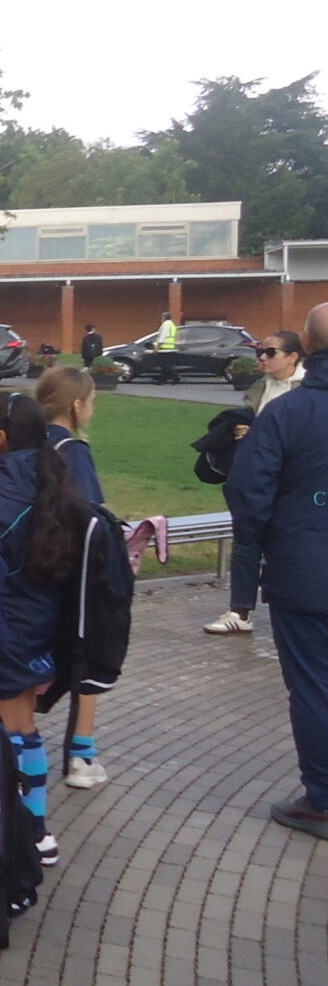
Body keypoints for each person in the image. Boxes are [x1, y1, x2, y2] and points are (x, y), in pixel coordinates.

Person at [225, 302, 328, 840]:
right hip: (304, 563)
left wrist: (267, 542)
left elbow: (249, 490)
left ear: (305, 347)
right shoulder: (288, 411)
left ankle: (323, 799)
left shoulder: (288, 414)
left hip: (305, 570)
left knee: (313, 685)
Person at [0, 392, 89, 869]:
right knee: (24, 725)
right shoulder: (54, 479)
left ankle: (31, 829)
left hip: (4, 626)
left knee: (12, 728)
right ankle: (35, 825)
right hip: (42, 622)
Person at [34, 367, 110, 787]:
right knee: (86, 660)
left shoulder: (27, 444)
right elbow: (91, 514)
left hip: (28, 568)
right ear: (77, 404)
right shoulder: (74, 451)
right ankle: (81, 755)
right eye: (92, 401)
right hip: (70, 572)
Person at [207, 331, 306, 637]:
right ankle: (240, 611)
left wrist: (261, 437)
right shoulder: (259, 388)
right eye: (260, 352)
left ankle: (297, 609)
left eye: (271, 352)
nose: (262, 357)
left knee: (292, 545)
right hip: (255, 480)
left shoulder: (309, 391)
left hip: (294, 484)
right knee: (246, 541)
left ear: (293, 357)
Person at [154, 310, 180, 383]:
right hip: (171, 347)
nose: (161, 319)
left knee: (164, 364)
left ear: (164, 317)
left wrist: (157, 347)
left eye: (162, 317)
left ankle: (175, 376)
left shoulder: (165, 325)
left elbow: (163, 336)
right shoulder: (172, 325)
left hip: (164, 347)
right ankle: (163, 379)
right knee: (166, 365)